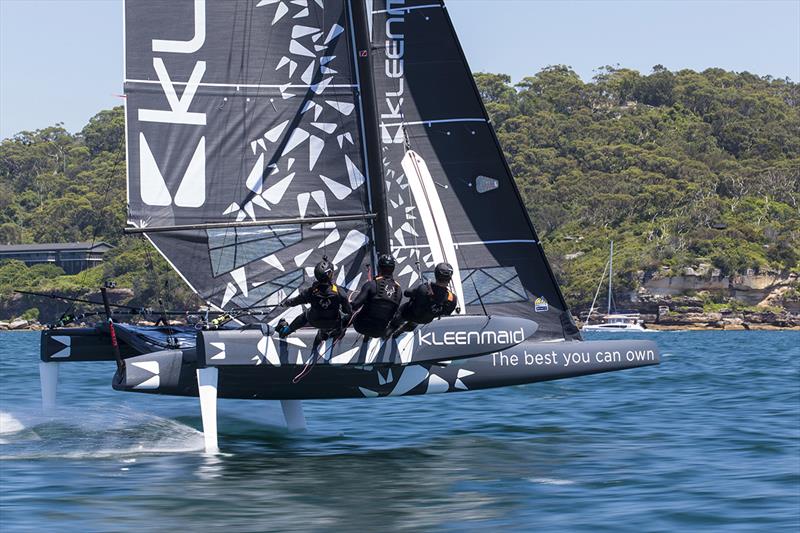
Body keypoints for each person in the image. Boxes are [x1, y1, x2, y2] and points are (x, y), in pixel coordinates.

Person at [276, 259, 352, 343]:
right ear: (330, 275)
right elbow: (348, 310)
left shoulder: (310, 292)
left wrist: (284, 304)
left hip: (314, 321)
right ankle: (333, 332)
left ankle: (285, 331)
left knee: (305, 315)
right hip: (333, 323)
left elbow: (295, 301)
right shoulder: (339, 292)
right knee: (344, 316)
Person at [389, 262, 458, 335]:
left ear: (436, 275)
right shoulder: (452, 299)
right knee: (417, 319)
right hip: (426, 320)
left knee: (403, 310)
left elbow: (406, 293)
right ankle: (403, 330)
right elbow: (446, 313)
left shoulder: (424, 288)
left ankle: (391, 329)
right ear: (450, 278)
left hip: (409, 314)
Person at [350, 254, 402, 339]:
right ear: (393, 269)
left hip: (361, 326)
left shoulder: (370, 285)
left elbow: (355, 306)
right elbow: (393, 312)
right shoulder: (399, 290)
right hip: (379, 331)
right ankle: (370, 336)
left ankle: (339, 330)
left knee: (352, 311)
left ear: (379, 268)